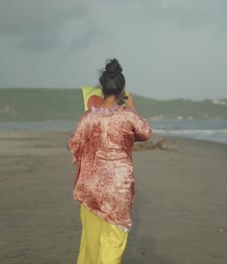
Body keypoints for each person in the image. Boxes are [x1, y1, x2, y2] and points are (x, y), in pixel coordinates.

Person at [69, 58, 152, 264]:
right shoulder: (127, 116)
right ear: (122, 89)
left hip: (90, 185)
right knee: (113, 238)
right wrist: (131, 106)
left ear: (101, 88)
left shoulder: (88, 117)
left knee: (91, 238)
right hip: (117, 187)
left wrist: (87, 159)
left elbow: (74, 145)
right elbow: (145, 133)